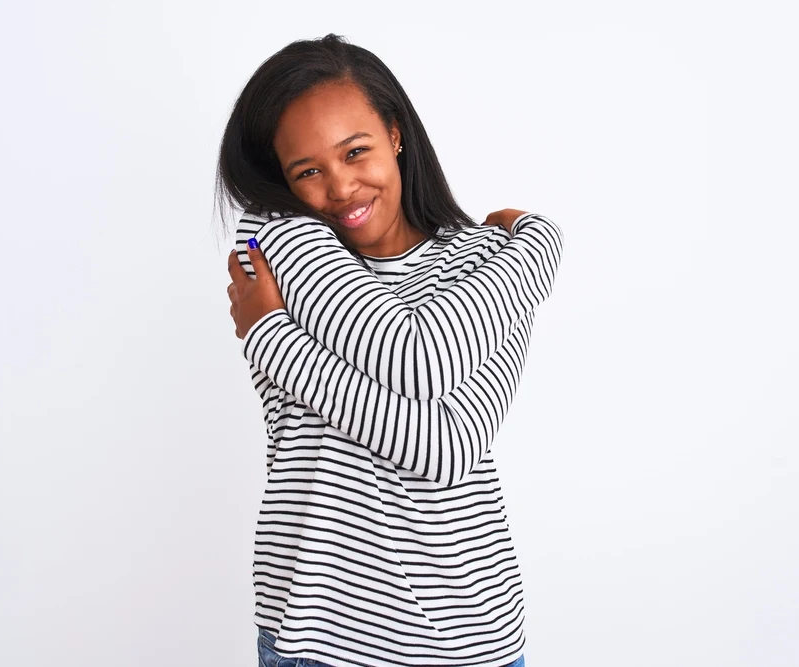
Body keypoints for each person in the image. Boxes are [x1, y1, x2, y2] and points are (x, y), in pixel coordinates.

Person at [218, 34, 563, 667]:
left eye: (356, 151)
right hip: (317, 636)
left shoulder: (483, 260)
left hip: (474, 636)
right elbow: (424, 358)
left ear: (396, 135)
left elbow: (449, 447)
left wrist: (273, 339)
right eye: (308, 171)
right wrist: (533, 258)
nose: (341, 187)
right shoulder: (277, 239)